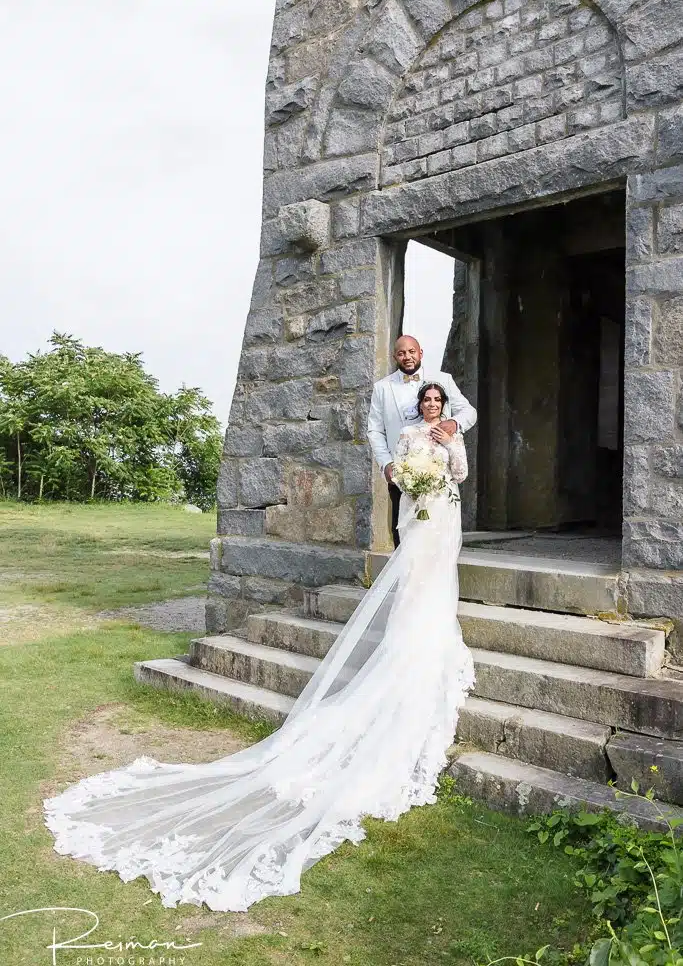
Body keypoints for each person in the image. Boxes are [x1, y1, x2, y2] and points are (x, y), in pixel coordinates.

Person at [43, 383, 474, 914]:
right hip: (417, 514)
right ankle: (412, 638)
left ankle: (432, 631)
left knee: (437, 582)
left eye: (437, 404)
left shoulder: (450, 431)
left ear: (443, 406)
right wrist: (410, 476)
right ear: (419, 407)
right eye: (427, 404)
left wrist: (450, 446)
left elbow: (459, 475)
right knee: (414, 586)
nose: (432, 409)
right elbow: (401, 476)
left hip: (445, 515)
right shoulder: (407, 433)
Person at [367, 335, 477, 547]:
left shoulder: (442, 379)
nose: (407, 357)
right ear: (395, 357)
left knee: (438, 539)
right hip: (402, 474)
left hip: (439, 475)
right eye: (401, 353)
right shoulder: (382, 388)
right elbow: (375, 430)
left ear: (420, 353)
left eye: (411, 352)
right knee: (404, 536)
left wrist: (454, 423)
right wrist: (386, 464)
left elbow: (469, 412)